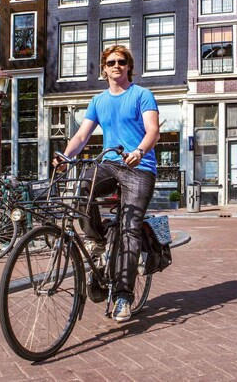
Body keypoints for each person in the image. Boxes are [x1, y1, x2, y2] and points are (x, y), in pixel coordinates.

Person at [54, 45, 160, 323]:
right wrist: (65, 157)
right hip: (111, 164)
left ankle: (123, 296)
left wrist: (139, 151)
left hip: (139, 167)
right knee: (82, 188)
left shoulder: (142, 95)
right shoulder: (98, 101)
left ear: (129, 67)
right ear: (104, 68)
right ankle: (97, 239)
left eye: (121, 62)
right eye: (111, 62)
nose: (116, 66)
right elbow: (81, 137)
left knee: (129, 229)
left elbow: (153, 131)